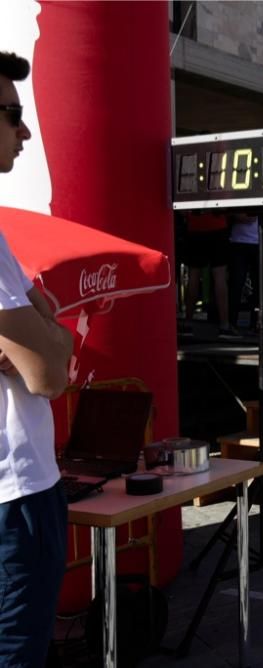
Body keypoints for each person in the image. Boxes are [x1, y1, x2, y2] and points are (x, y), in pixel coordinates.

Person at [0, 50, 75, 667]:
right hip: (15, 494)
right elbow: (49, 372)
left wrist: (40, 331)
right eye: (12, 114)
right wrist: (53, 333)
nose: (25, 132)